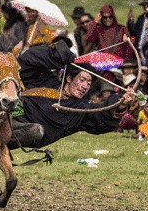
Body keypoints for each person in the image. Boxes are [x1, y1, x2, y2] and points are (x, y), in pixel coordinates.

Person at [10, 38, 139, 150]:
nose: (85, 86)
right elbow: (27, 61)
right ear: (69, 78)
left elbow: (99, 114)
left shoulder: (78, 110)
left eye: (88, 84)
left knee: (35, 131)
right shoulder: (47, 81)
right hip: (6, 115)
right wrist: (62, 56)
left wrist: (120, 103)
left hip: (23, 133)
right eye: (82, 80)